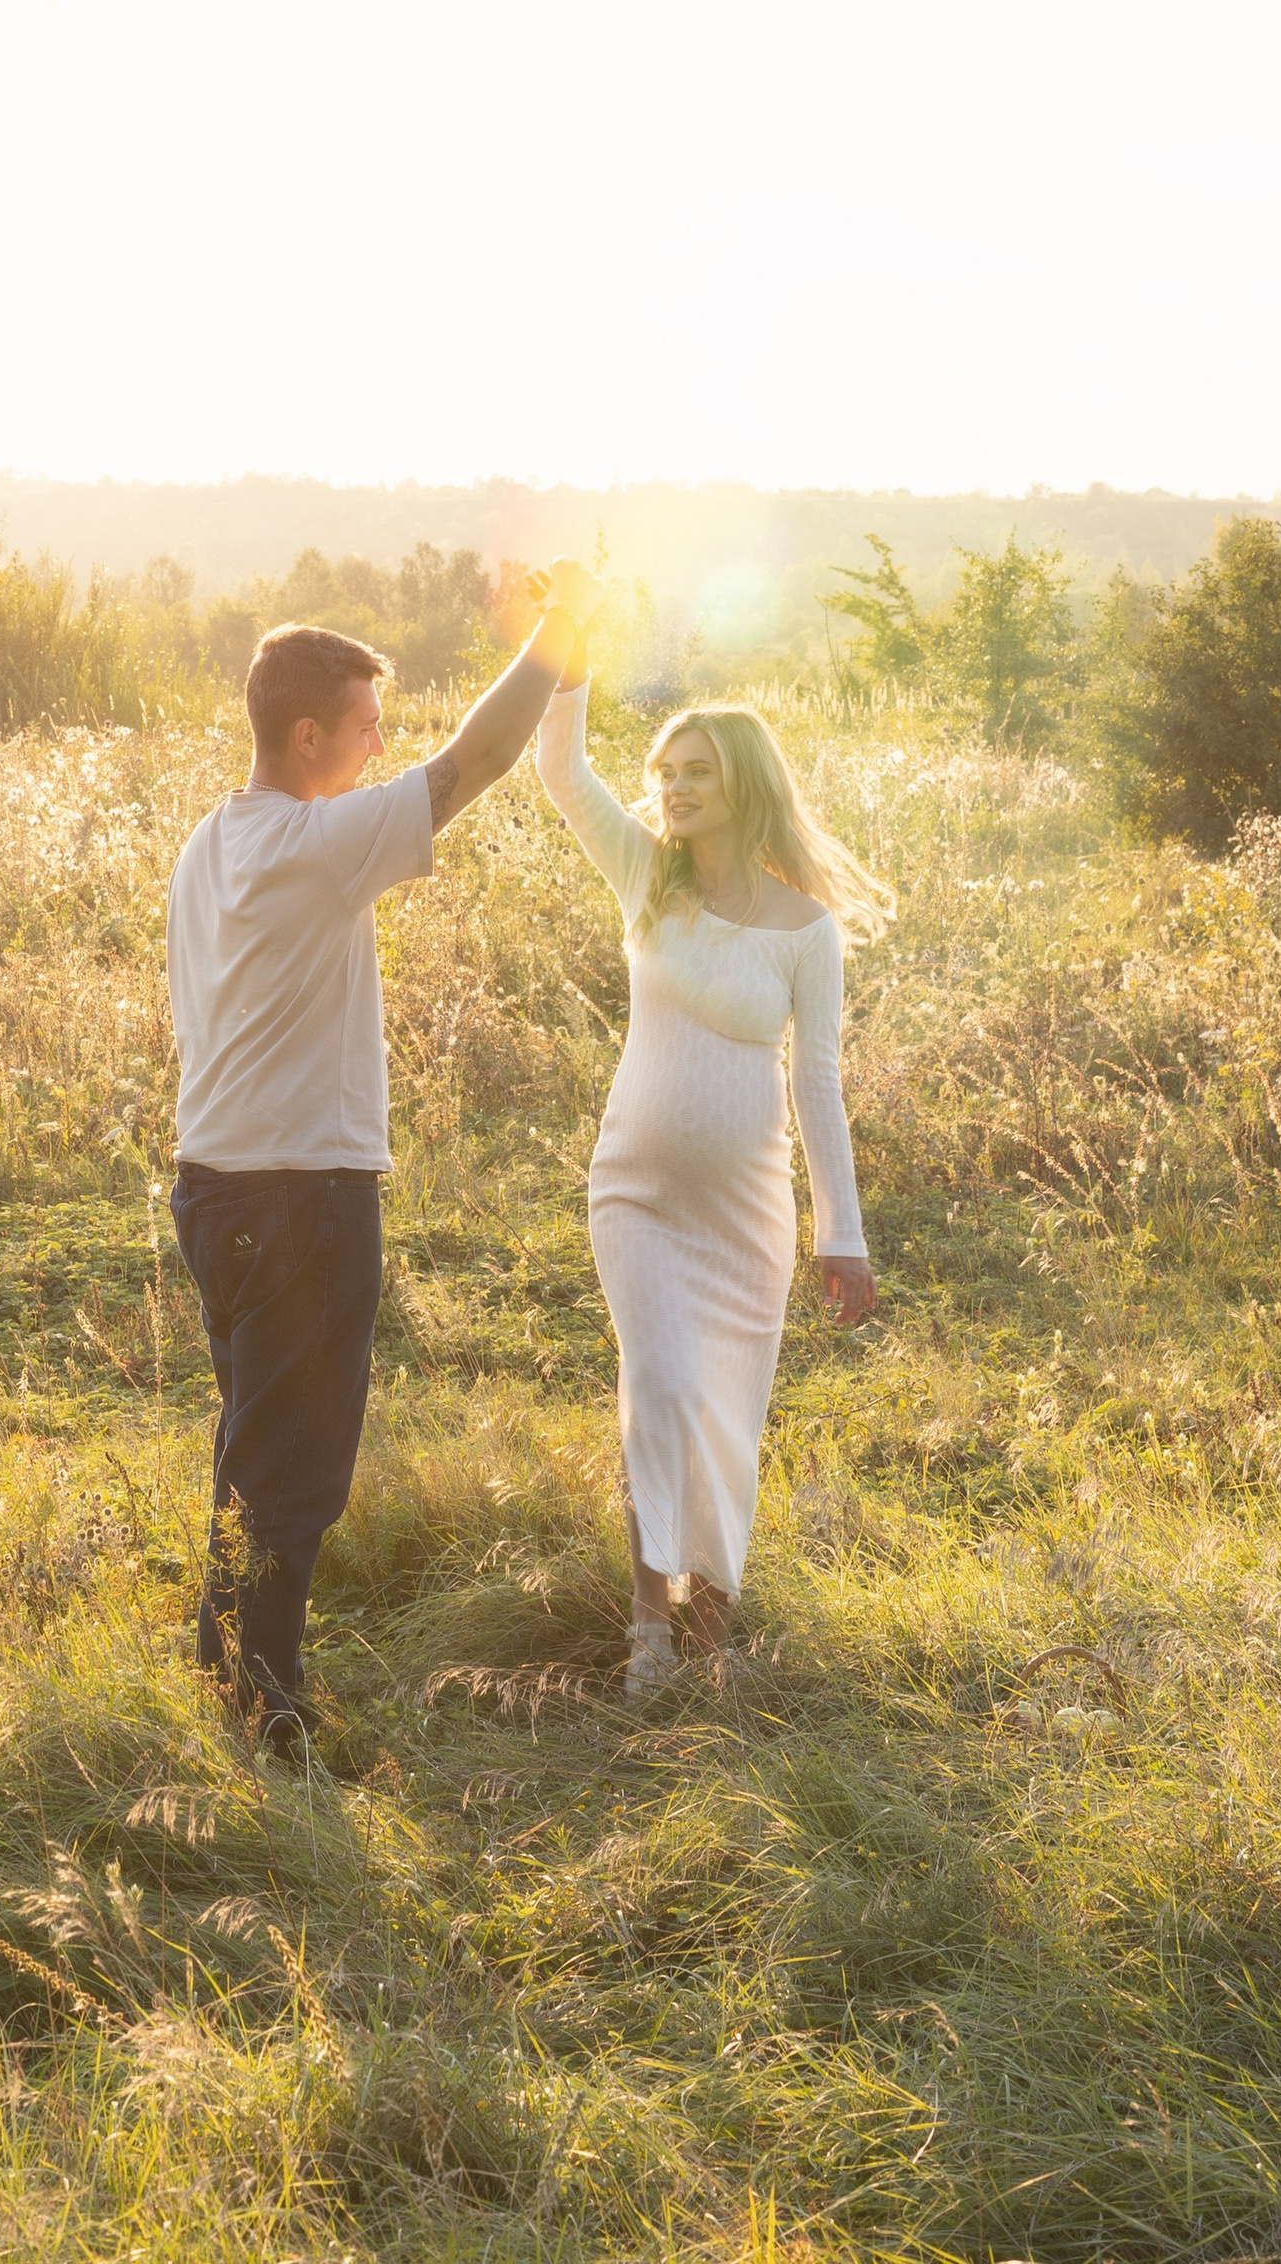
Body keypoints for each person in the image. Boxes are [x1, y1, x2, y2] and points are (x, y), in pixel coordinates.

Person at [165, 558, 603, 1752]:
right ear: (306, 736)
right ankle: (263, 1711)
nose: (379, 745)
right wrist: (561, 630)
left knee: (253, 1451)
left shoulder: (212, 842)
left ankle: (225, 1674)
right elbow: (477, 760)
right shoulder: (309, 844)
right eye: (364, 726)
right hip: (297, 1198)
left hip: (217, 1189)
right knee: (294, 1474)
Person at [533, 667, 891, 1696]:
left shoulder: (804, 929)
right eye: (666, 771)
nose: (674, 787)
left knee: (729, 1411)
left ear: (744, 783)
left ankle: (712, 1640)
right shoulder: (649, 878)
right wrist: (568, 666)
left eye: (697, 771)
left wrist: (842, 1233)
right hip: (636, 1195)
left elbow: (818, 1083)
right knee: (660, 1387)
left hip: (745, 1215)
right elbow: (563, 774)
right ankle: (649, 1627)